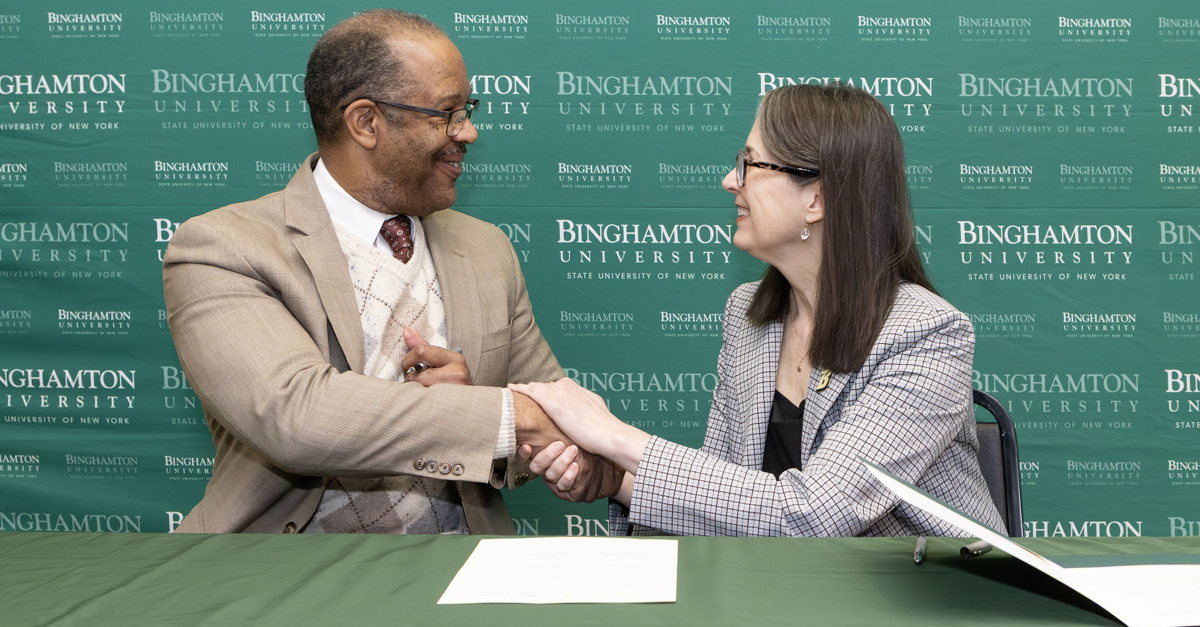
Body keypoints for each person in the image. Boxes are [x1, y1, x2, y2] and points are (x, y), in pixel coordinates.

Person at [162, 9, 618, 535]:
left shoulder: (487, 249)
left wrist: (575, 460)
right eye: (446, 112)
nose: (468, 131)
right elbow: (295, 416)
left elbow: (551, 413)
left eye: (467, 108)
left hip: (463, 576)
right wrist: (504, 419)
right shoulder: (224, 247)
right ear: (366, 123)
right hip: (285, 579)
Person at [512, 83, 1005, 537]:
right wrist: (613, 480)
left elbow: (815, 514)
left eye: (750, 164)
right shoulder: (747, 314)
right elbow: (727, 496)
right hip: (789, 591)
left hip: (923, 602)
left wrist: (610, 434)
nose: (730, 181)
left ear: (818, 197)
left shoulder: (928, 333)